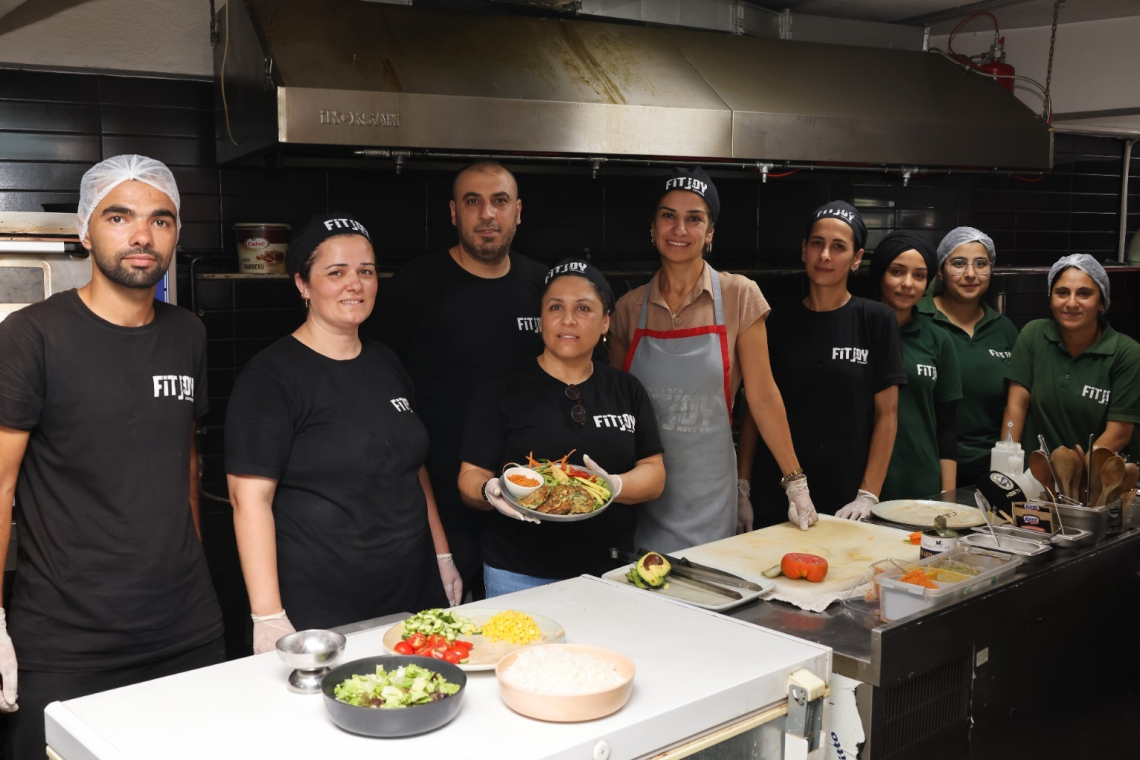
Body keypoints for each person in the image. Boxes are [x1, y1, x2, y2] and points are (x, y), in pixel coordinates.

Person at [0, 155, 224, 759]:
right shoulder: (31, 335)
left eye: (161, 220)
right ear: (84, 230)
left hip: (186, 630)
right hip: (68, 642)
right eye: (119, 217)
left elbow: (185, 460)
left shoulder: (188, 333)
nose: (142, 235)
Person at [226, 214, 458, 652]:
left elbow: (413, 468)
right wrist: (268, 615)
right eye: (336, 273)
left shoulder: (386, 362)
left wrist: (442, 555)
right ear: (302, 284)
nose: (355, 284)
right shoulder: (271, 377)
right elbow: (249, 499)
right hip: (321, 605)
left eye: (365, 271)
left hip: (413, 592)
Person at [609, 167, 816, 555]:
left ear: (710, 233)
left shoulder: (739, 296)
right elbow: (615, 411)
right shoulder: (627, 309)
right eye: (668, 216)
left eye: (694, 219)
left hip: (710, 494)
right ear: (652, 227)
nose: (679, 229)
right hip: (641, 494)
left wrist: (795, 483)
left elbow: (763, 396)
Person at [373, 161, 548, 597]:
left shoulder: (544, 288)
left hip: (529, 500)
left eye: (499, 201)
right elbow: (380, 386)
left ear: (518, 211)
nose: (487, 214)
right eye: (473, 202)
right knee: (448, 622)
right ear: (454, 213)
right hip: (442, 503)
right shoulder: (415, 286)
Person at [458, 260, 665, 597]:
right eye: (555, 307)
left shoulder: (626, 389)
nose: (568, 319)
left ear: (606, 321)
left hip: (610, 571)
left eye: (583, 308)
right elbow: (470, 476)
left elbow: (654, 473)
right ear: (541, 319)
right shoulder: (501, 389)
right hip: (518, 573)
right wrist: (490, 491)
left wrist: (613, 485)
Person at [741, 201, 906, 523]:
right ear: (804, 249)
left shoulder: (875, 319)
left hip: (847, 495)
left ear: (857, 258)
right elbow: (754, 410)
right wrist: (742, 486)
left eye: (839, 247)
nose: (825, 255)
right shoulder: (775, 322)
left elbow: (887, 415)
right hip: (777, 489)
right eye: (817, 243)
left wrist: (868, 494)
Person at [1003, 254, 1140, 461]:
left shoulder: (1127, 353)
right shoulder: (1033, 334)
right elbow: (1016, 407)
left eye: (1084, 293)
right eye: (1062, 293)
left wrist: (1072, 475)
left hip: (1094, 476)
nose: (1072, 303)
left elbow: (1119, 433)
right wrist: (1007, 464)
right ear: (1051, 299)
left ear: (1102, 302)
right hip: (1032, 474)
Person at [918, 227, 1019, 487]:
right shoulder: (918, 317)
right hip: (927, 466)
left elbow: (1016, 405)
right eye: (959, 263)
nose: (971, 274)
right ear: (940, 270)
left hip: (989, 471)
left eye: (981, 264)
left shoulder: (1004, 329)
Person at [873, 233, 962, 500]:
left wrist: (948, 496)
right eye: (897, 272)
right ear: (879, 274)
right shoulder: (858, 329)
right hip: (861, 486)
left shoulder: (938, 339)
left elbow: (947, 425)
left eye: (919, 276)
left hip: (921, 485)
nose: (907, 284)